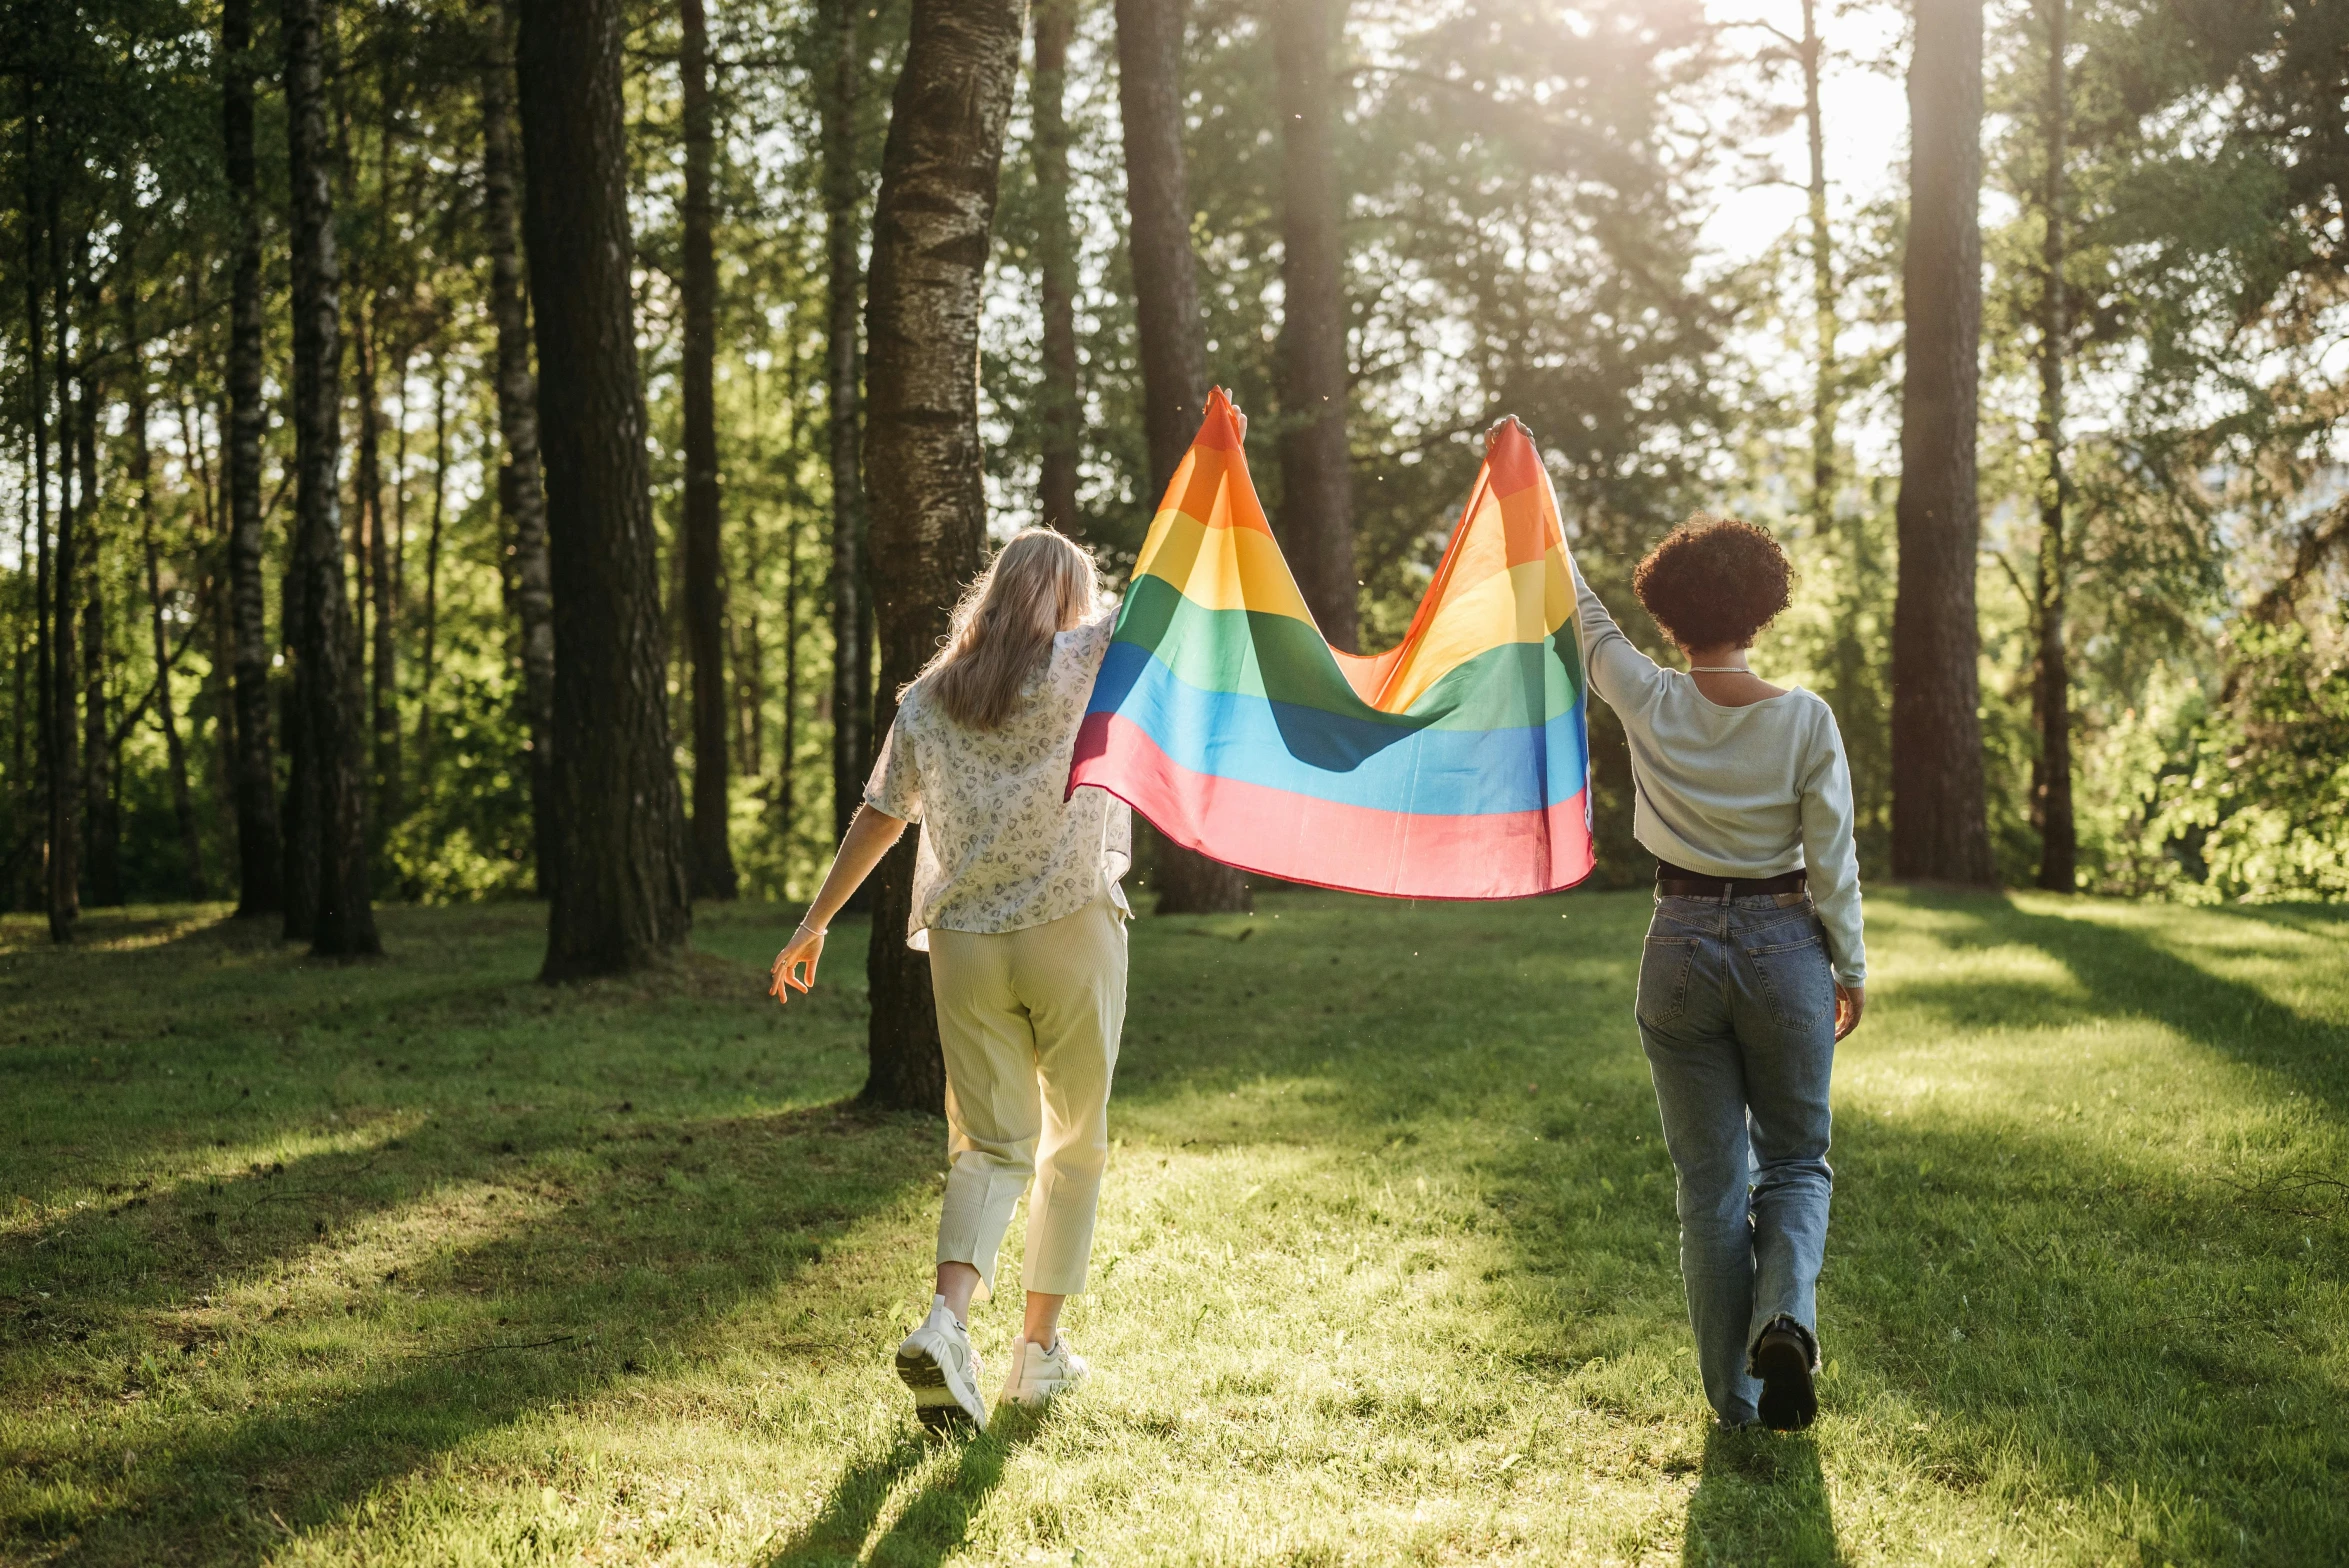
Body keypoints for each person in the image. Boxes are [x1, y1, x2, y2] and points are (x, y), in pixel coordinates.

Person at [769, 528, 1132, 1434]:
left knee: (989, 1146)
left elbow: (881, 815)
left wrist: (813, 921)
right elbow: (1174, 585)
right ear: (1068, 599)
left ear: (993, 592)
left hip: (965, 944)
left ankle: (946, 1324)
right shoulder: (1089, 656)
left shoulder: (929, 698)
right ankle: (1037, 1355)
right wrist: (1215, 455)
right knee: (1072, 1142)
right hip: (1069, 928)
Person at [1562, 474, 1866, 1432]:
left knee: (1707, 1187)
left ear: (1670, 613)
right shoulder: (1805, 719)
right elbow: (1832, 864)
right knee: (1795, 1163)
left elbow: (1577, 609)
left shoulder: (1649, 696)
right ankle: (1784, 1319)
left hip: (1677, 945)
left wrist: (1534, 495)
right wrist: (1848, 967)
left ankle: (1732, 1407)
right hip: (1784, 950)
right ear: (1763, 610)